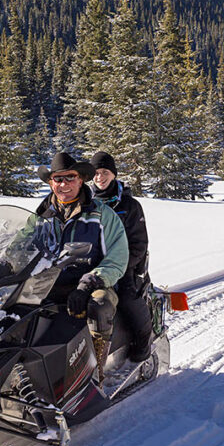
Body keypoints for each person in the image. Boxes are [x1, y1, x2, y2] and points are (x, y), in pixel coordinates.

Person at [36, 152, 129, 384]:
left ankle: (94, 373)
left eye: (70, 177)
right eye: (58, 179)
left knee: (99, 305)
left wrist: (88, 283)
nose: (64, 184)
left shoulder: (102, 215)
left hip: (92, 283)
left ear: (81, 180)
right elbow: (21, 246)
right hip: (50, 282)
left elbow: (117, 259)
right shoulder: (42, 215)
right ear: (51, 183)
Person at [90, 151, 152, 362]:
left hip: (124, 265)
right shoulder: (86, 202)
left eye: (105, 172)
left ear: (114, 174)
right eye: (96, 173)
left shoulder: (129, 205)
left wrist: (121, 266)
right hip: (91, 265)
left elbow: (139, 244)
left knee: (126, 297)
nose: (100, 177)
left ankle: (143, 342)